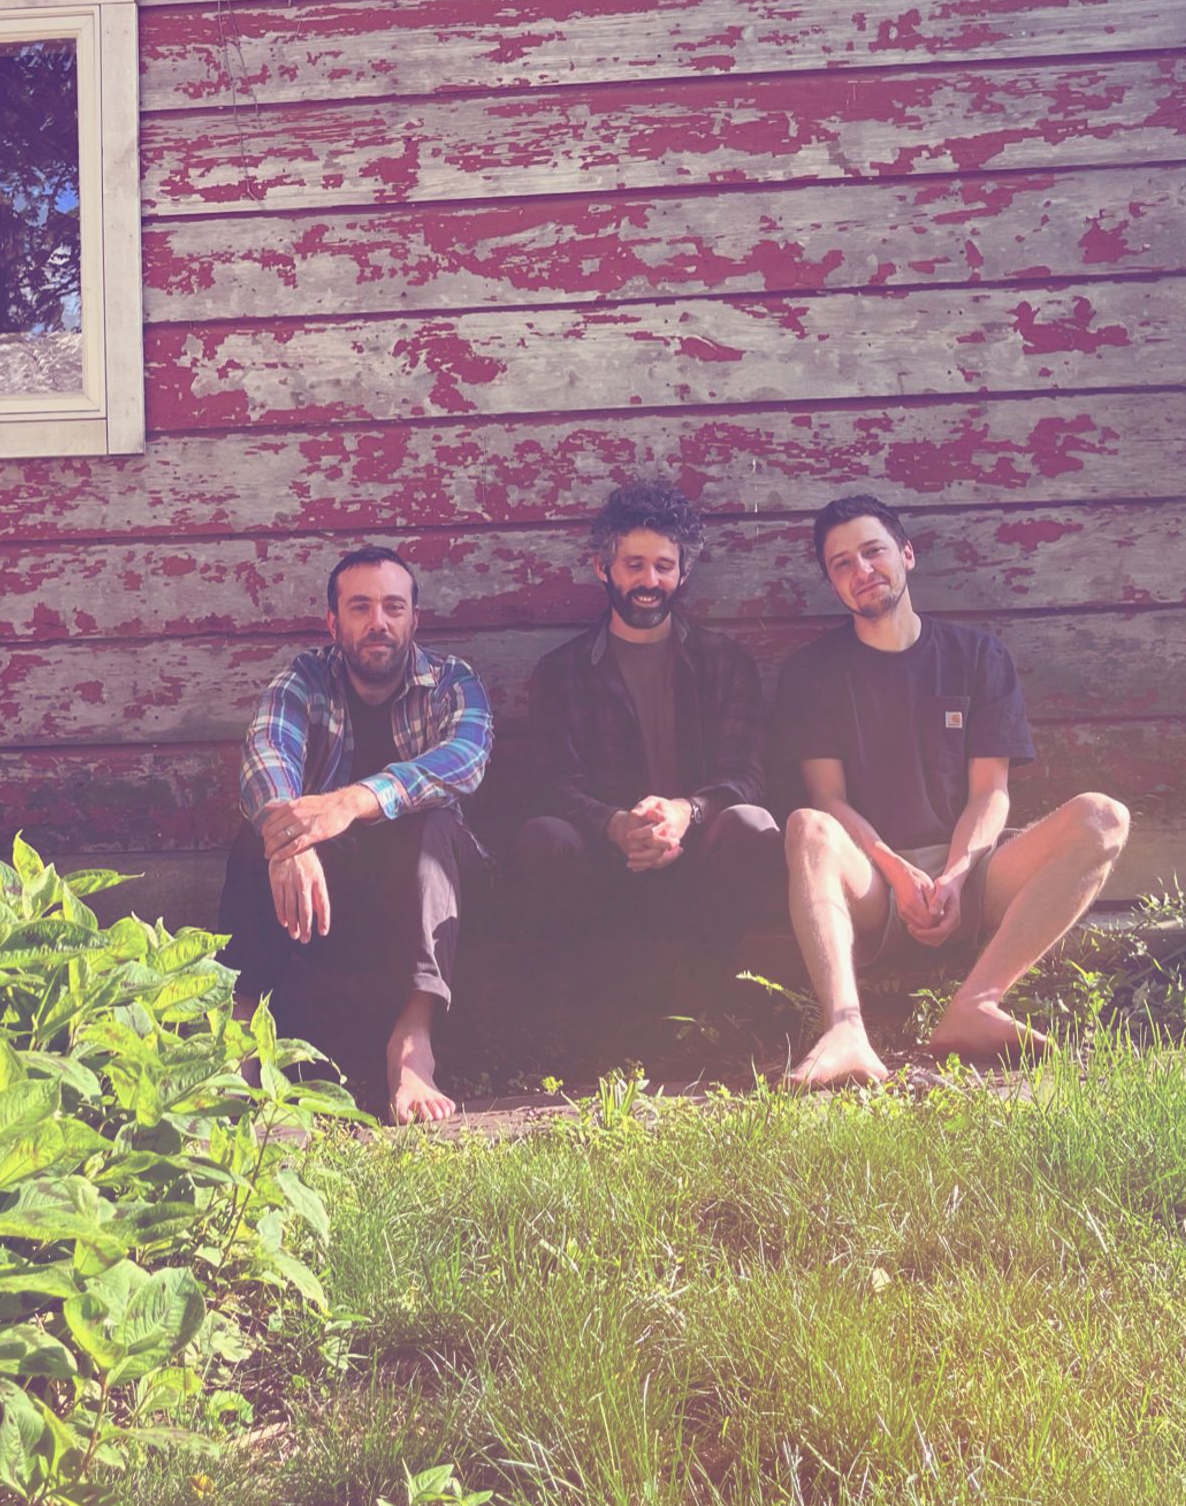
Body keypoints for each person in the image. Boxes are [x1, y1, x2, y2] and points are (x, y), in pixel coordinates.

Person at [774, 495, 1130, 1087]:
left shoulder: (976, 656)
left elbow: (991, 793)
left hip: (975, 874)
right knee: (805, 827)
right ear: (832, 583)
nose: (861, 571)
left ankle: (977, 1004)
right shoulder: (811, 673)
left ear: (907, 555)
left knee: (1104, 817)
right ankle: (844, 1028)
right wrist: (893, 869)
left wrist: (957, 875)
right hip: (871, 879)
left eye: (873, 552)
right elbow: (828, 799)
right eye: (841, 564)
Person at [216, 545, 491, 1124]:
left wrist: (351, 802)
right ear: (333, 622)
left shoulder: (451, 681)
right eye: (360, 607)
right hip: (323, 904)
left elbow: (464, 760)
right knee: (254, 837)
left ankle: (412, 1046)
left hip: (428, 890)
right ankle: (238, 1038)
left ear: (415, 618)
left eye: (393, 607)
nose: (378, 623)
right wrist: (289, 838)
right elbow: (265, 753)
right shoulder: (305, 678)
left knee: (434, 825)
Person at [516, 480, 781, 983]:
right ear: (603, 567)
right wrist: (616, 825)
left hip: (699, 864)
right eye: (634, 565)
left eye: (663, 566)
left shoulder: (725, 663)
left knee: (752, 822)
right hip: (605, 868)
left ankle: (703, 990)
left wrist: (686, 813)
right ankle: (587, 1003)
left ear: (683, 573)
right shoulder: (562, 671)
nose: (649, 580)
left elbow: (745, 776)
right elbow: (552, 786)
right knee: (542, 837)